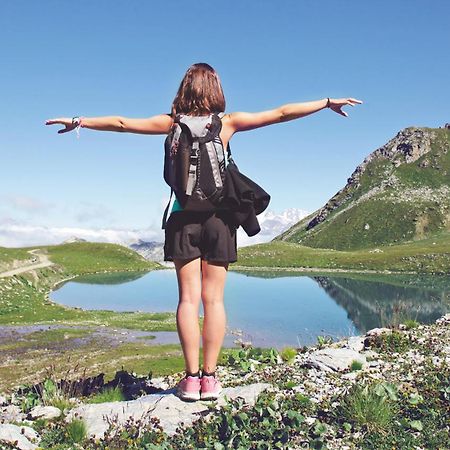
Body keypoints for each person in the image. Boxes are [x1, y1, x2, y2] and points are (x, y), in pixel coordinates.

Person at [45, 62, 362, 402]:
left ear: (184, 89)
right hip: (219, 221)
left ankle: (190, 379)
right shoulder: (227, 124)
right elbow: (282, 113)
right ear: (215, 89)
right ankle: (210, 380)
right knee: (214, 301)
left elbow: (122, 124)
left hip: (183, 221)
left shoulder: (170, 125)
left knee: (187, 300)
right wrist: (326, 102)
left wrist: (78, 121)